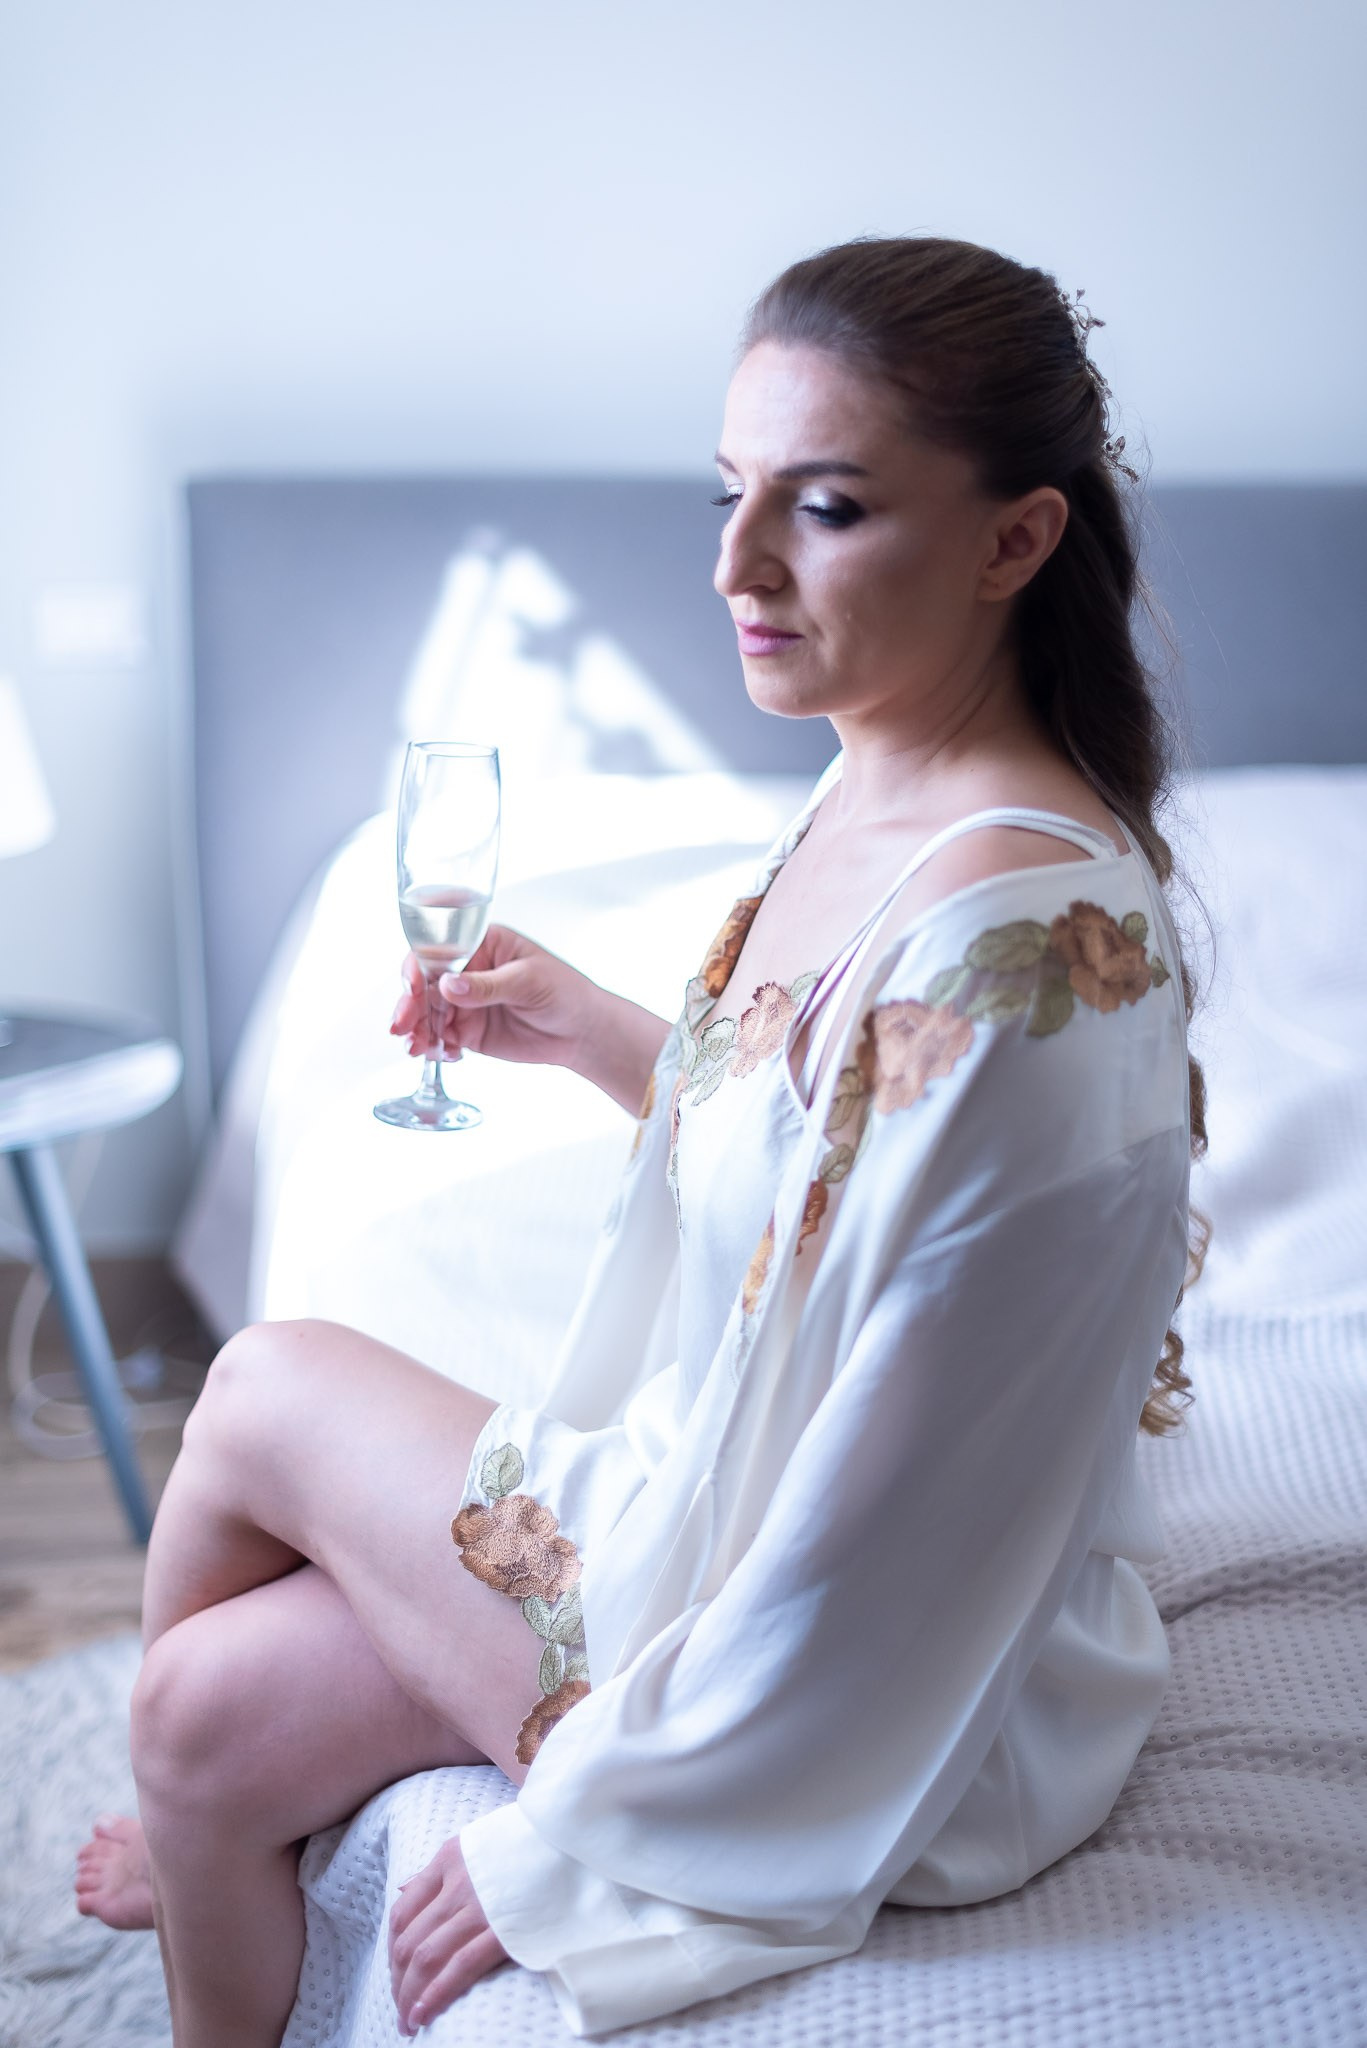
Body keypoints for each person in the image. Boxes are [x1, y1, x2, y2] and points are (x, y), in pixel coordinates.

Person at [74, 233, 1209, 2045]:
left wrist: (580, 1837)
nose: (736, 566)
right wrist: (613, 1037)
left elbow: (901, 1515)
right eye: (728, 490)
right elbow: (822, 1179)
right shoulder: (879, 781)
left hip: (854, 1684)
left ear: (1017, 541)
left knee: (267, 1387)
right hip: (720, 1516)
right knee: (196, 1719)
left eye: (823, 508)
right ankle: (189, 1833)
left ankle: (205, 1836)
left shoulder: (1026, 969)